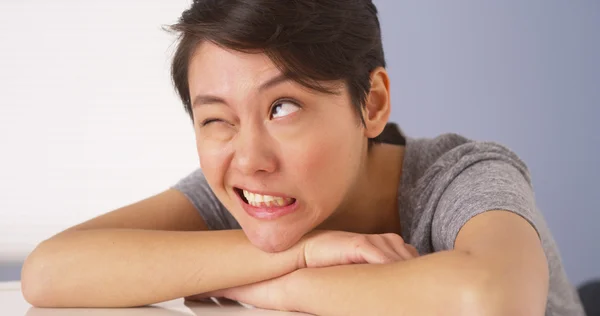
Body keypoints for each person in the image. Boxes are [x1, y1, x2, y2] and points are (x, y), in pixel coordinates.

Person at [21, 1, 585, 315]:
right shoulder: (247, 192)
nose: (250, 159)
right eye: (216, 118)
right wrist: (309, 250)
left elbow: (491, 298)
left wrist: (273, 284)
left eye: (284, 107)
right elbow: (49, 271)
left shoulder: (460, 176)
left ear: (372, 102)